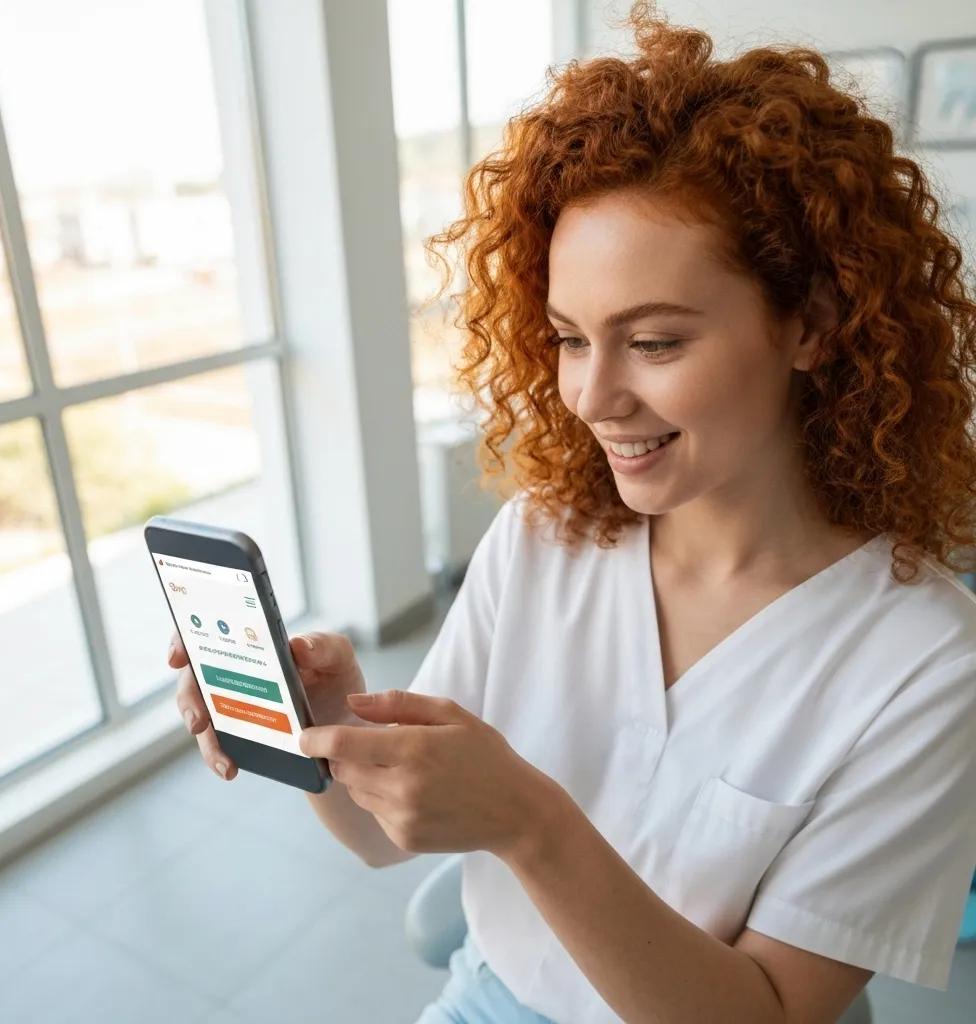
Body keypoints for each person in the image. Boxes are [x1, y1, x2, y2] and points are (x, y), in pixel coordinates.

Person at [168, 2, 976, 1021]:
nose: (592, 397)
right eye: (567, 338)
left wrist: (529, 823)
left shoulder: (926, 660)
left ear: (810, 326)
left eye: (655, 342)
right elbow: (380, 838)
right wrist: (321, 730)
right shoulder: (546, 537)